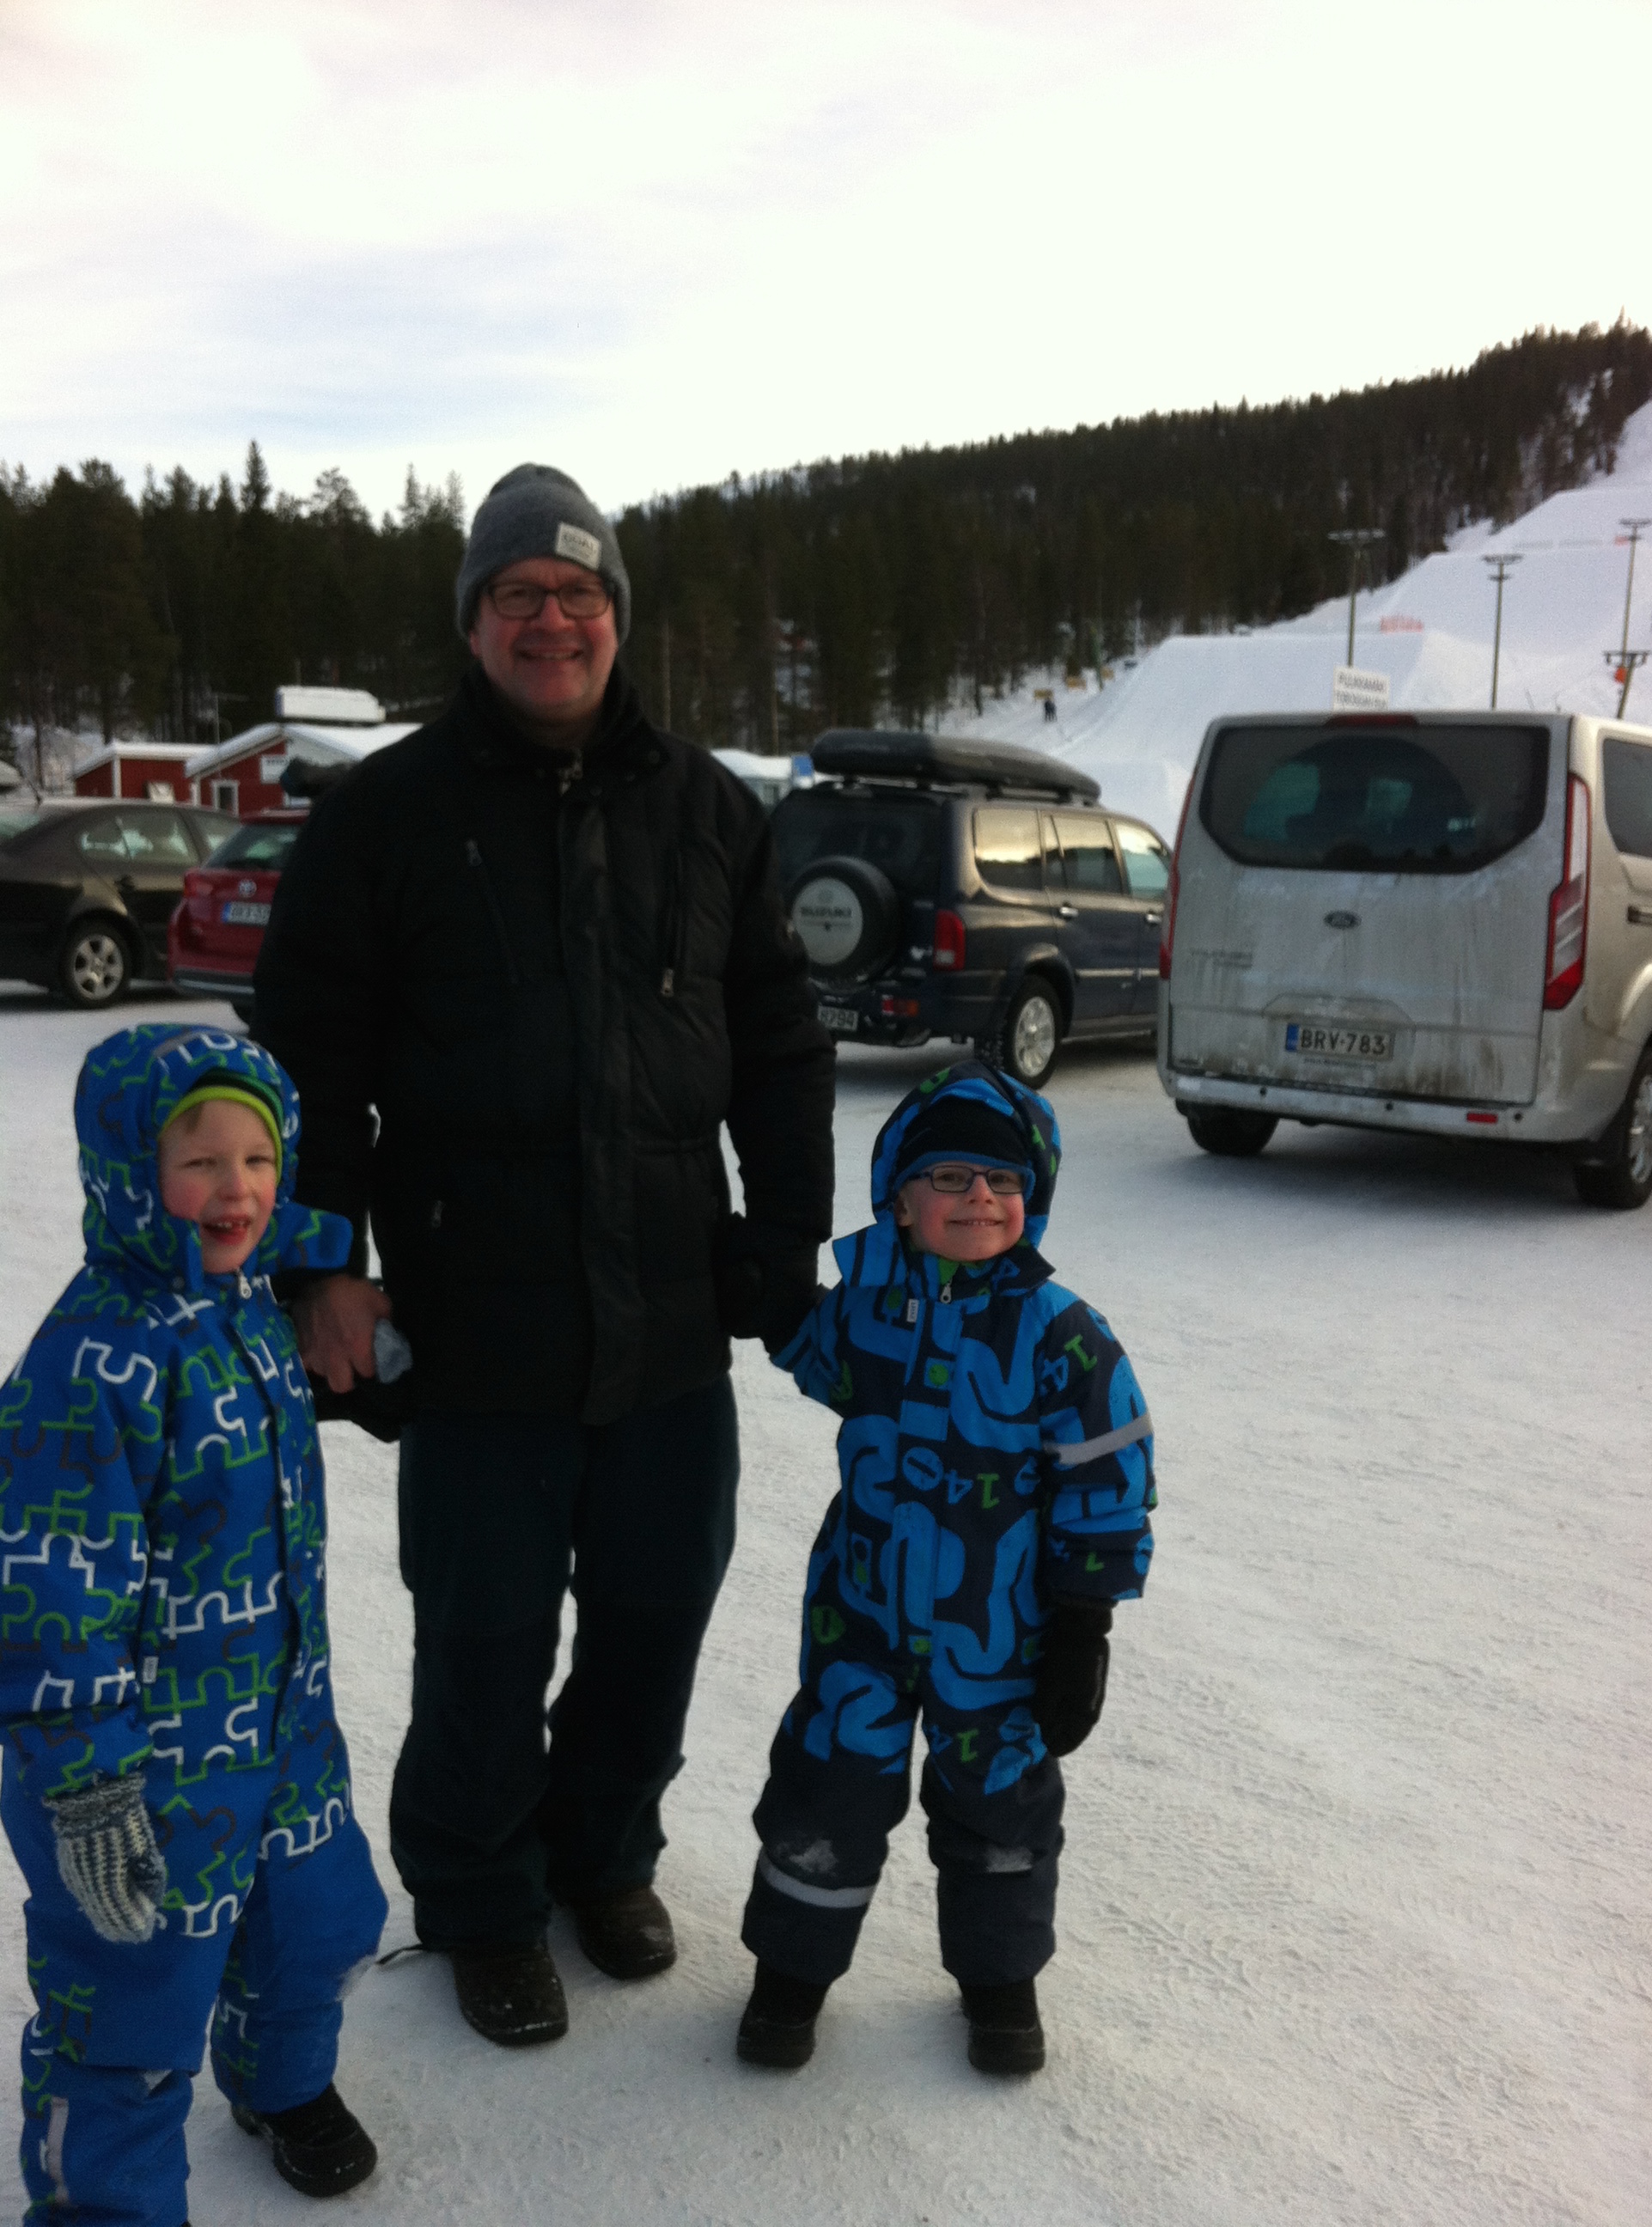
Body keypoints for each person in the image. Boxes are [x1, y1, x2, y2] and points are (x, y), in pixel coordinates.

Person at [254, 463, 835, 2048]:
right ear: (474, 623)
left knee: (659, 1610)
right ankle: (482, 1897)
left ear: (616, 619)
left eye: (579, 594)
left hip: (667, 1309)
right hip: (474, 1309)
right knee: (486, 1631)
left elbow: (780, 1041)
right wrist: (321, 1262)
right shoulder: (385, 814)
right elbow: (308, 1058)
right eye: (519, 594)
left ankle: (603, 1854)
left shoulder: (709, 809)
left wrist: (786, 1233)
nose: (552, 619)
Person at [0, 1023, 387, 2225]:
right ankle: (103, 2206)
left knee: (317, 1929)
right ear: (131, 1172)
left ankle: (280, 2082)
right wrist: (87, 1788)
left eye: (259, 1160)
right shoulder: (90, 1366)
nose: (238, 1190)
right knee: (130, 2011)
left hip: (283, 1729)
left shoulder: (250, 1304)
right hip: (147, 1773)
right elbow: (47, 1597)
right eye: (202, 1162)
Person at [735, 1061, 1155, 2075]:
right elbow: (809, 1350)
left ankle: (999, 1985)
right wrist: (768, 1290)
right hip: (859, 1621)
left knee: (999, 1806)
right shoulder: (865, 1308)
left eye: (1003, 1181)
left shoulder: (1063, 1337)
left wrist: (1085, 1625)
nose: (980, 1198)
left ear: (1032, 1201)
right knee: (826, 1791)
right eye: (952, 1177)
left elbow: (1109, 1479)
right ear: (899, 1199)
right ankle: (791, 1975)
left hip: (1003, 1638)